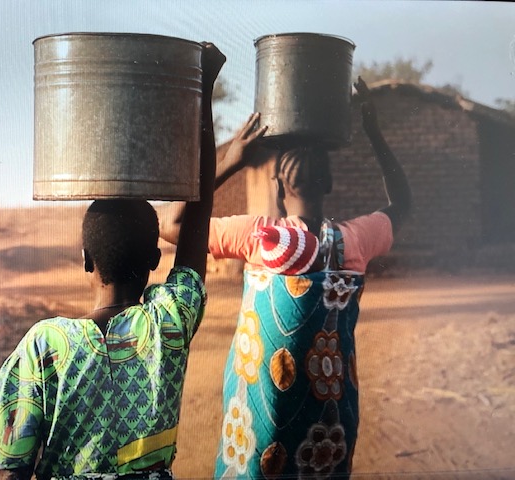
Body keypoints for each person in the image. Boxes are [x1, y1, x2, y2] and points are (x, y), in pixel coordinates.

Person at [0, 43, 226, 480]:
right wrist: (202, 90)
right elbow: (200, 212)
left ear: (85, 259)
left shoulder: (43, 348)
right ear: (155, 258)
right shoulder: (170, 323)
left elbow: (7, 473)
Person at [158, 77, 411, 479]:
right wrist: (373, 133)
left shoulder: (258, 238)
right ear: (328, 183)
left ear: (277, 187)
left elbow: (170, 223)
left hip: (261, 428)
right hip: (330, 426)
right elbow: (403, 203)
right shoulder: (355, 240)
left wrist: (229, 162)